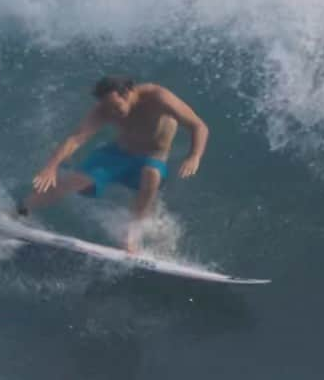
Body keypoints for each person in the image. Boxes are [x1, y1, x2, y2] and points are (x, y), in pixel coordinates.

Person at [17, 75, 209, 254]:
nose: (112, 113)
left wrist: (194, 155)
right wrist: (51, 167)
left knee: (151, 174)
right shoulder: (105, 108)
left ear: (128, 93)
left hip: (152, 158)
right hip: (117, 154)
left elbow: (199, 126)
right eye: (108, 108)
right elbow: (77, 137)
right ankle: (21, 210)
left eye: (116, 107)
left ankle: (131, 235)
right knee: (74, 181)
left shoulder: (159, 98)